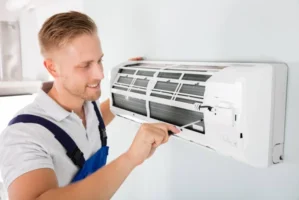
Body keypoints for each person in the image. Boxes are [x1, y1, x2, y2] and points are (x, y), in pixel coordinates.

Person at [0, 11, 180, 200]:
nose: (100, 74)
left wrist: (124, 90)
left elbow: (94, 122)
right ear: (53, 68)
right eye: (85, 65)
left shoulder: (86, 103)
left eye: (99, 60)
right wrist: (131, 158)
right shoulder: (22, 136)